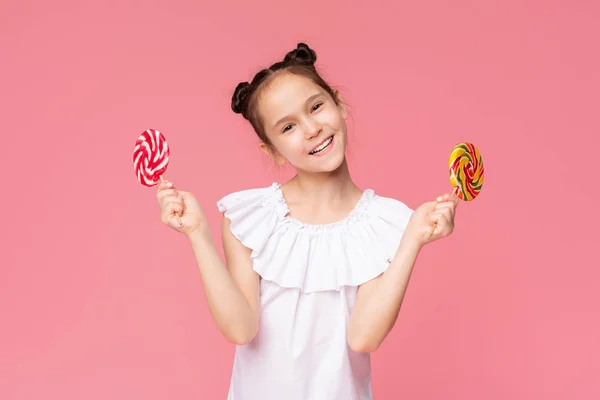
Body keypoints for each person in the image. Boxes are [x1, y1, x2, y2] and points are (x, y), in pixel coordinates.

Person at [156, 43, 458, 400]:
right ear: (270, 149)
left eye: (316, 107)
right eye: (288, 127)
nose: (312, 128)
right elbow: (240, 328)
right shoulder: (252, 218)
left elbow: (364, 337)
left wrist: (413, 240)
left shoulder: (385, 223)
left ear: (339, 103)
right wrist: (198, 235)